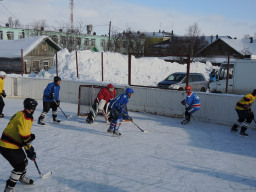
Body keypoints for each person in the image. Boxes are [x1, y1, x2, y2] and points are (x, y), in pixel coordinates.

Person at [0, 98, 38, 192]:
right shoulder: (25, 117)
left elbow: (23, 135)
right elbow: (24, 136)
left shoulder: (22, 113)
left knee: (24, 161)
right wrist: (29, 149)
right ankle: (9, 187)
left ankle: (21, 177)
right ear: (32, 107)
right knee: (20, 166)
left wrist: (28, 148)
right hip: (7, 145)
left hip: (12, 143)